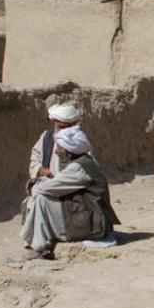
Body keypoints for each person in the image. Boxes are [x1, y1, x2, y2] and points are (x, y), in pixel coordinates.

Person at [14, 126, 120, 263]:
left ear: (69, 150)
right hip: (85, 212)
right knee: (39, 198)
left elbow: (46, 188)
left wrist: (34, 186)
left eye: (59, 146)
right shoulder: (82, 161)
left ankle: (39, 247)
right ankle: (37, 244)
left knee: (41, 198)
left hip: (92, 222)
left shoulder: (78, 169)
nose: (56, 150)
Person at [27, 104, 81, 194]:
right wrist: (40, 169)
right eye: (60, 127)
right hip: (48, 186)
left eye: (66, 128)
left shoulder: (80, 143)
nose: (62, 132)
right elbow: (35, 157)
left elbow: (87, 171)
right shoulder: (47, 138)